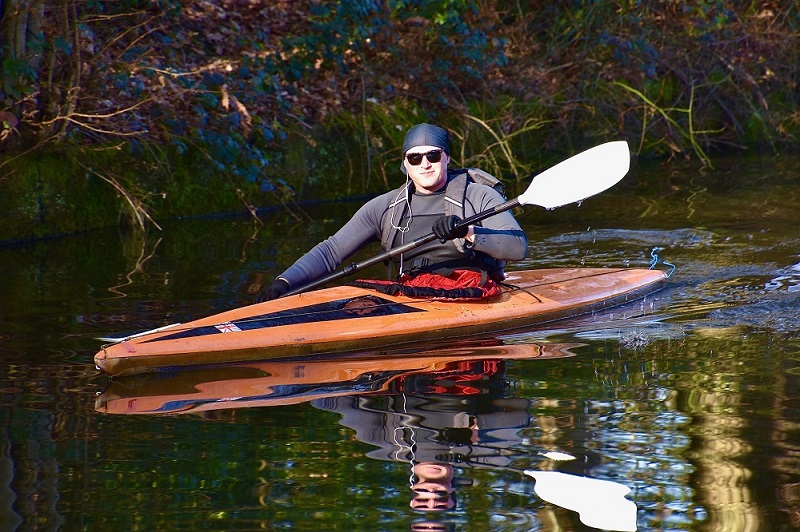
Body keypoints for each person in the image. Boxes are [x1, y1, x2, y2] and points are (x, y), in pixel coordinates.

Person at [259, 123, 528, 301]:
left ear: (447, 157)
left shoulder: (479, 196)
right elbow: (331, 252)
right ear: (405, 164)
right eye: (415, 158)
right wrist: (284, 282)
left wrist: (469, 232)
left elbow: (518, 248)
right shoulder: (385, 207)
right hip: (409, 295)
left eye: (433, 156)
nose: (425, 164)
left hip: (472, 291)